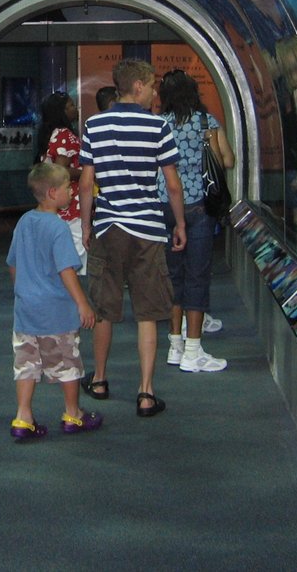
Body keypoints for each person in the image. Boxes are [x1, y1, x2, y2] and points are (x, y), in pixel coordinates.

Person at [79, 59, 185, 418]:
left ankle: (99, 380)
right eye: (152, 85)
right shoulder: (158, 126)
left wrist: (86, 226)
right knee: (148, 312)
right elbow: (172, 184)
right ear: (137, 86)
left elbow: (86, 183)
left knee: (104, 309)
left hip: (109, 227)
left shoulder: (94, 125)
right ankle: (146, 393)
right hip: (148, 229)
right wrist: (179, 224)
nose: (155, 93)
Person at [7, 163, 102, 440]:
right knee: (67, 361)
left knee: (26, 364)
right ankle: (73, 413)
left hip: (26, 310)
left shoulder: (24, 222)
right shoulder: (58, 228)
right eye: (66, 188)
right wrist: (82, 303)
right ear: (52, 193)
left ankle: (23, 416)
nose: (71, 192)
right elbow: (66, 270)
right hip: (56, 311)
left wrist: (23, 290)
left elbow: (12, 263)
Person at [156, 70, 235, 372]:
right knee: (197, 276)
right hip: (198, 206)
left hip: (164, 205)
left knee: (173, 275)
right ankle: (193, 349)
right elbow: (226, 160)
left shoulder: (158, 125)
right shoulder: (206, 123)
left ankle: (174, 344)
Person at [37, 91, 85, 275]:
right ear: (62, 111)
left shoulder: (51, 133)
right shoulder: (64, 135)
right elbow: (61, 170)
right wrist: (87, 172)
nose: (75, 108)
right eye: (71, 105)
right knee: (77, 250)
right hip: (71, 203)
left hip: (56, 202)